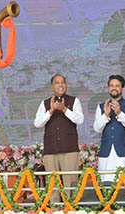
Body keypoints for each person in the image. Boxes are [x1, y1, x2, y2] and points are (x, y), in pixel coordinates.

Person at [34, 74, 84, 202]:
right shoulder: (45, 103)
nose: (60, 85)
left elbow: (80, 120)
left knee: (70, 185)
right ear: (52, 86)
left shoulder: (74, 101)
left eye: (63, 82)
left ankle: (71, 209)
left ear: (66, 85)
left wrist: (64, 109)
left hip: (70, 150)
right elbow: (37, 123)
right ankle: (55, 209)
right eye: (57, 82)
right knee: (52, 186)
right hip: (50, 151)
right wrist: (51, 111)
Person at [93, 75, 125, 181]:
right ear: (108, 88)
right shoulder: (101, 107)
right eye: (111, 85)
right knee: (106, 186)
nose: (114, 88)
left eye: (117, 86)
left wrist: (119, 113)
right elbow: (97, 129)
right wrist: (106, 115)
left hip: (124, 154)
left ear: (122, 88)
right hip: (106, 154)